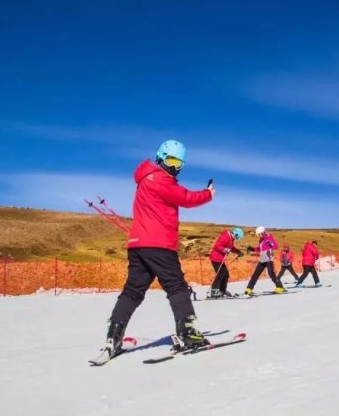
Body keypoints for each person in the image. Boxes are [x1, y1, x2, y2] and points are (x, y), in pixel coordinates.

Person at [101, 140, 214, 358]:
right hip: (159, 244)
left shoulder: (145, 178)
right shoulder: (161, 180)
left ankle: (113, 337)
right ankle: (188, 332)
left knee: (133, 291)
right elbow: (186, 198)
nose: (174, 167)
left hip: (137, 244)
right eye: (171, 161)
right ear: (160, 157)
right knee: (177, 287)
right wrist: (208, 194)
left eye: (178, 164)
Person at [244, 226, 285, 295]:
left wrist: (270, 243)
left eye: (259, 234)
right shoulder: (261, 240)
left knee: (271, 274)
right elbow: (260, 249)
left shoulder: (269, 237)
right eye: (258, 234)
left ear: (263, 232)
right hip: (262, 260)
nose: (259, 236)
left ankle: (280, 287)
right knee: (255, 274)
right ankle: (249, 288)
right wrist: (252, 249)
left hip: (269, 259)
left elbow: (275, 247)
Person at [208, 227, 245, 298]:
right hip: (216, 258)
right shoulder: (226, 236)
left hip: (220, 259)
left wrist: (238, 252)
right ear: (236, 234)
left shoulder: (231, 239)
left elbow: (231, 248)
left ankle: (222, 290)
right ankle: (214, 291)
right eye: (238, 237)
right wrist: (225, 249)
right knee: (220, 274)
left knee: (225, 274)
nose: (237, 239)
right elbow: (217, 246)